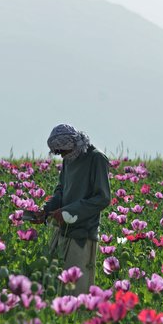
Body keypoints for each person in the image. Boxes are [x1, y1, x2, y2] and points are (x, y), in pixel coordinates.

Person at [33, 124, 111, 295]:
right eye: (58, 152)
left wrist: (70, 211)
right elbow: (61, 190)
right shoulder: (69, 159)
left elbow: (103, 198)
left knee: (75, 291)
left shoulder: (96, 158)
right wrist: (46, 210)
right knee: (52, 286)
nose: (61, 155)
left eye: (62, 151)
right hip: (61, 232)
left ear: (72, 144)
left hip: (82, 235)